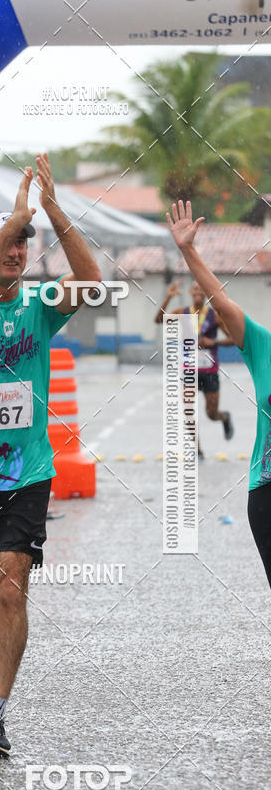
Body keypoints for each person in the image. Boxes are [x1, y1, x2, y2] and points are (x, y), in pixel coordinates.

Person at [0, 153, 101, 756]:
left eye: (22, 242)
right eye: (5, 241)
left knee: (10, 588)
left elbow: (91, 283)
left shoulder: (39, 305)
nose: (15, 249)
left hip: (28, 471)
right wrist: (12, 217)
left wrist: (51, 212)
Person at [167, 200, 271, 587]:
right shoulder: (263, 345)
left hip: (209, 371)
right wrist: (188, 250)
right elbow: (223, 302)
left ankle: (220, 419)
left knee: (211, 411)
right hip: (267, 491)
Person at [155, 279, 234, 458]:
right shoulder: (182, 313)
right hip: (189, 370)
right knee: (188, 410)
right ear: (190, 292)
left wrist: (213, 342)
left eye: (201, 288)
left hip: (209, 371)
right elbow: (159, 320)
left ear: (205, 293)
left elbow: (233, 339)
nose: (198, 291)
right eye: (195, 288)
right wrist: (168, 298)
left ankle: (224, 417)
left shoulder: (215, 316)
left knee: (211, 413)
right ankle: (198, 449)